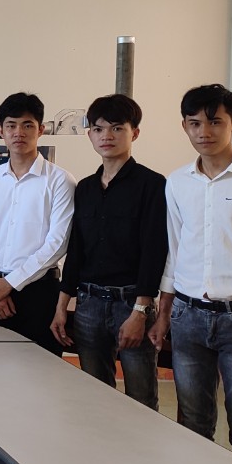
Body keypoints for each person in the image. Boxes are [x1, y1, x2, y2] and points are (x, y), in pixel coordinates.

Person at [151, 84, 232, 464]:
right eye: (194, 123)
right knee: (192, 424)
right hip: (188, 317)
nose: (204, 131)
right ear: (184, 126)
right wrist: (164, 313)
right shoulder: (177, 182)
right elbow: (175, 252)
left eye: (215, 122)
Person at [51, 94, 166, 409]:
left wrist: (140, 311)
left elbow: (154, 252)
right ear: (90, 134)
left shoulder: (153, 185)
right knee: (94, 396)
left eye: (117, 128)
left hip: (131, 304)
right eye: (99, 129)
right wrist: (62, 306)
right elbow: (76, 250)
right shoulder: (86, 188)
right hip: (88, 304)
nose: (107, 136)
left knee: (141, 398)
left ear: (134, 133)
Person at [0, 92, 76, 353]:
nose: (19, 132)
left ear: (40, 130)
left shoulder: (60, 181)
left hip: (38, 292)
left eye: (27, 125)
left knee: (39, 371)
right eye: (11, 125)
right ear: (1, 131)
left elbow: (58, 242)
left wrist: (9, 284)